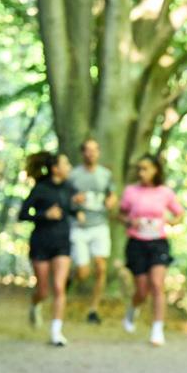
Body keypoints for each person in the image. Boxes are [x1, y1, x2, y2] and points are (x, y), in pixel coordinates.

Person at [19, 151, 82, 347]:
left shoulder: (70, 188)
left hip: (62, 242)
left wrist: (78, 211)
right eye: (66, 163)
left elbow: (69, 209)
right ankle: (36, 303)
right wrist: (44, 214)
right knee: (44, 289)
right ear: (55, 168)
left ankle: (56, 332)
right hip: (41, 242)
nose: (69, 167)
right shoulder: (40, 188)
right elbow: (23, 214)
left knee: (59, 287)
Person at [119, 155, 183, 346]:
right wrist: (130, 221)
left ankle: (157, 329)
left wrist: (170, 221)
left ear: (156, 169)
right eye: (139, 169)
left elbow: (179, 214)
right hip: (136, 243)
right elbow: (120, 214)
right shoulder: (131, 191)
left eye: (145, 168)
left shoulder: (165, 192)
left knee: (157, 284)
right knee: (142, 289)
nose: (141, 172)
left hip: (158, 243)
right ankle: (132, 309)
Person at [68, 138, 117, 323]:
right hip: (79, 227)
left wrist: (112, 201)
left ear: (99, 152)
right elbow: (66, 199)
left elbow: (112, 194)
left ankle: (93, 308)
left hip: (99, 225)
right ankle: (70, 278)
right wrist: (75, 203)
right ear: (82, 153)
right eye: (87, 150)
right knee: (83, 272)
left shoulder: (105, 174)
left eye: (94, 150)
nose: (91, 153)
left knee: (101, 266)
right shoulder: (73, 175)